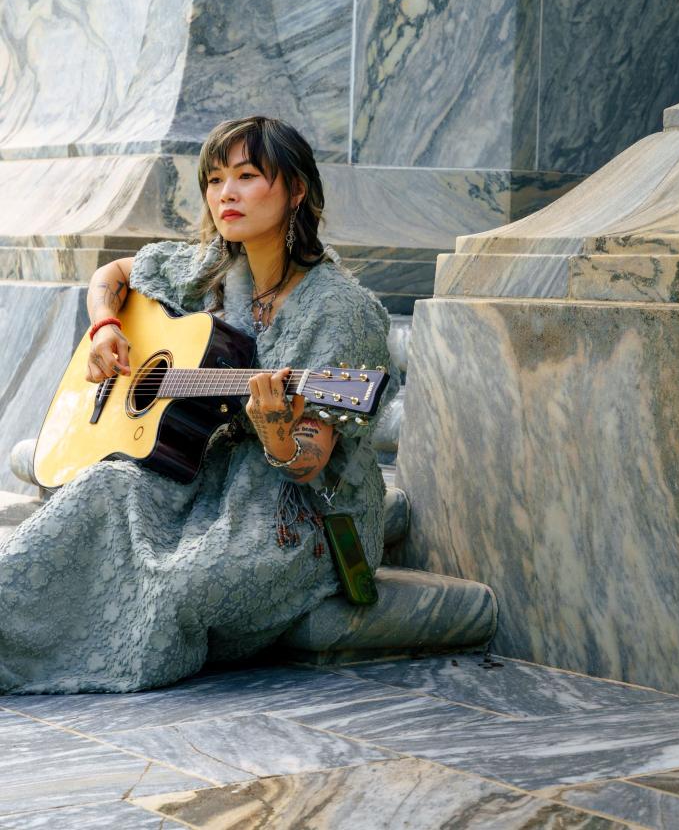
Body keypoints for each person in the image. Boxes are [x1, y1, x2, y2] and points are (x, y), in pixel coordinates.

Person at [0, 116, 395, 694]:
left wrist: (277, 430)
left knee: (186, 582)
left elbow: (311, 461)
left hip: (292, 506)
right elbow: (111, 272)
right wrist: (107, 326)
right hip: (198, 469)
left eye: (246, 176)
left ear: (296, 190)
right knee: (100, 490)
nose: (225, 194)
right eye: (214, 180)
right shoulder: (211, 267)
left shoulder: (339, 310)